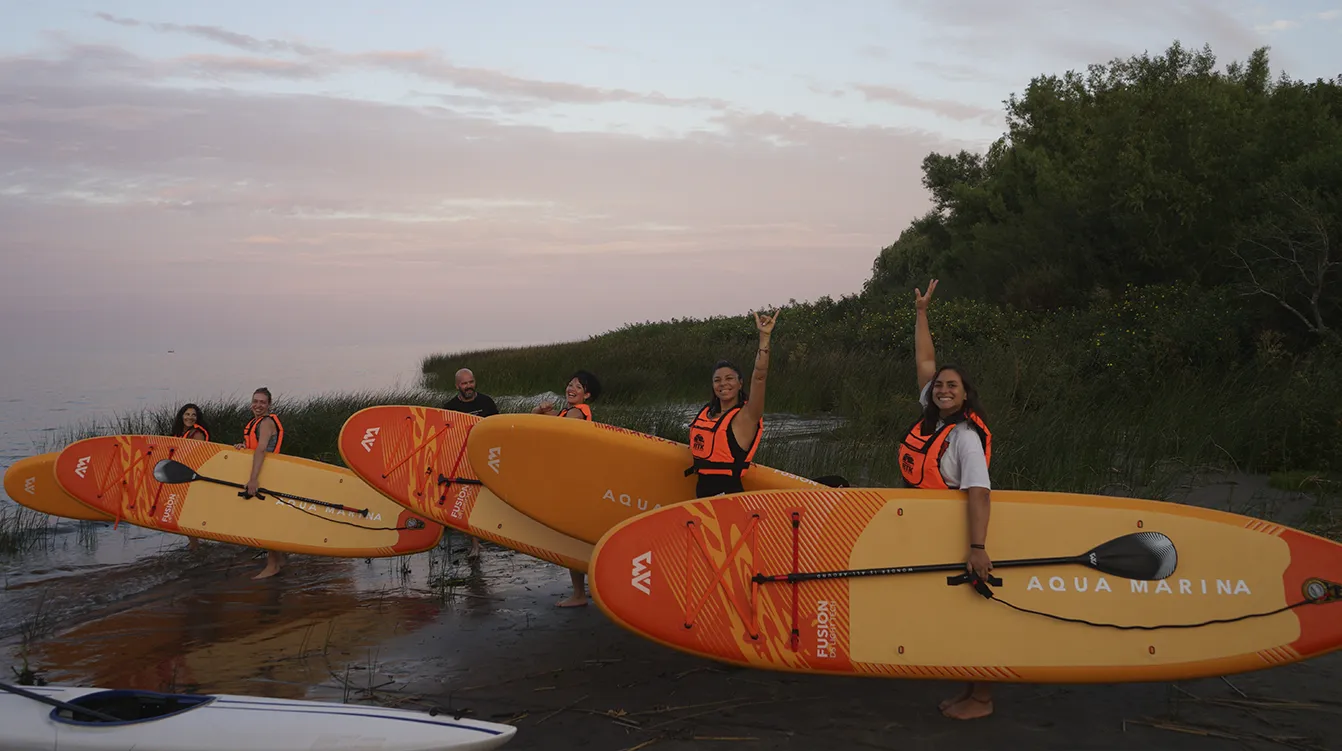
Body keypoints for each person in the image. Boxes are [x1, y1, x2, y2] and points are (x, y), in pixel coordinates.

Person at [897, 279, 995, 720]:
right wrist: (921, 312)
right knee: (951, 612)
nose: (942, 389)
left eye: (952, 386)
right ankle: (968, 690)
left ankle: (983, 698)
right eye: (939, 386)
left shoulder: (966, 438)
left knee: (970, 613)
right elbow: (925, 360)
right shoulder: (932, 419)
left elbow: (979, 492)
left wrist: (977, 548)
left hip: (954, 534)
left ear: (965, 392)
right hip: (927, 529)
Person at [685, 311, 777, 499]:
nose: (723, 384)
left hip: (728, 497)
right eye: (717, 380)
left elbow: (759, 377)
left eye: (729, 378)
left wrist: (764, 337)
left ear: (740, 383)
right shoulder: (707, 414)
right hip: (701, 494)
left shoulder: (747, 417)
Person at [532, 370, 602, 607]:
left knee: (573, 537)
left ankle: (581, 594)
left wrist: (545, 416)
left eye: (578, 387)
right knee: (571, 536)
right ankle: (580, 593)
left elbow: (558, 428)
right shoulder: (565, 411)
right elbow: (535, 420)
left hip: (577, 483)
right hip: (567, 480)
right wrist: (540, 410)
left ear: (587, 394)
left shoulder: (579, 412)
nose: (571, 388)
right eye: (570, 384)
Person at [442, 368, 498, 558]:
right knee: (466, 500)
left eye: (471, 382)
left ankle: (491, 533)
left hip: (486, 457)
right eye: (464, 384)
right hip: (463, 460)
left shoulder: (486, 402)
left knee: (486, 497)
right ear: (457, 386)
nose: (469, 387)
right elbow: (446, 438)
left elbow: (496, 427)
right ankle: (475, 543)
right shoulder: (449, 408)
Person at [232, 387, 287, 580]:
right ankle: (278, 560)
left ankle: (272, 566)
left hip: (268, 476)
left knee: (266, 522)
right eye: (255, 401)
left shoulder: (266, 422)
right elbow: (256, 446)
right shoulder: (257, 422)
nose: (258, 405)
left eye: (262, 402)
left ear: (269, 405)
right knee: (269, 518)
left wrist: (253, 479)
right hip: (268, 474)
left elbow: (262, 449)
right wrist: (244, 447)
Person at [171, 403, 212, 551]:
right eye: (187, 414)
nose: (190, 417)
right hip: (180, 475)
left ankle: (195, 546)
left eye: (193, 415)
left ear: (197, 418)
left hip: (192, 476)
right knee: (183, 512)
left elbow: (197, 457)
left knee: (186, 513)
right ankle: (195, 543)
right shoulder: (179, 432)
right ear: (182, 415)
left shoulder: (197, 434)